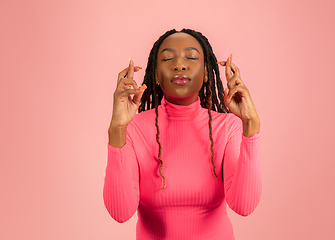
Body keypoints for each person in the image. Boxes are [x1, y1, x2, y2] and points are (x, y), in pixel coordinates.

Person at [103, 29, 261, 240]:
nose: (179, 65)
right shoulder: (133, 129)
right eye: (168, 58)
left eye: (191, 57)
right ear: (156, 74)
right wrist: (117, 129)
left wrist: (251, 126)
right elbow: (120, 213)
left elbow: (244, 206)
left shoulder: (227, 126)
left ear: (206, 73)